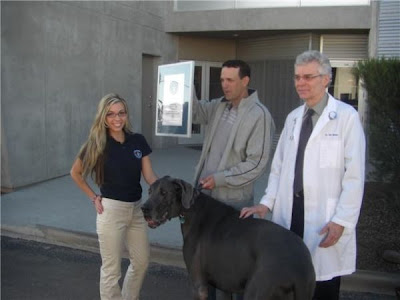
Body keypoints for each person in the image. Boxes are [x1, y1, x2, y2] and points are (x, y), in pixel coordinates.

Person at [240, 50, 366, 300]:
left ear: (326, 79)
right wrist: (267, 203)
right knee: (290, 282)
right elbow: (279, 168)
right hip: (291, 213)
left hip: (325, 218)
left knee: (322, 286)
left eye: (308, 77)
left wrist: (341, 221)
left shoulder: (346, 117)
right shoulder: (293, 118)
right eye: (297, 77)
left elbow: (354, 176)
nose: (300, 83)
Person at [192, 59, 275, 300]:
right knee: (212, 262)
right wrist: (183, 84)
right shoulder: (219, 106)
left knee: (235, 266)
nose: (224, 86)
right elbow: (196, 112)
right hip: (206, 199)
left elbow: (257, 164)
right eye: (222, 80)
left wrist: (220, 179)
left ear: (245, 81)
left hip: (232, 203)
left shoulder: (259, 115)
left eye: (230, 80)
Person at [70, 93, 157, 300]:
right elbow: (75, 172)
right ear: (103, 117)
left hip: (136, 210)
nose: (117, 119)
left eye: (121, 113)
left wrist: (168, 190)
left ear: (126, 114)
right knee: (111, 271)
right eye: (110, 114)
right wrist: (93, 197)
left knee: (142, 261)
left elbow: (150, 176)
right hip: (111, 211)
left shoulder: (138, 141)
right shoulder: (97, 143)